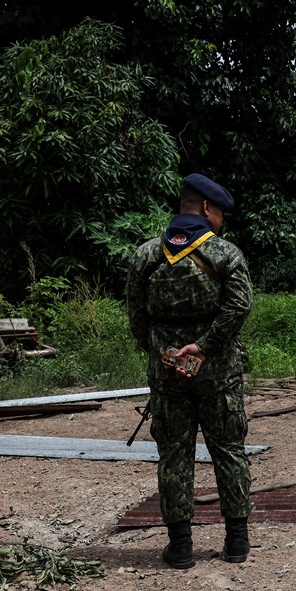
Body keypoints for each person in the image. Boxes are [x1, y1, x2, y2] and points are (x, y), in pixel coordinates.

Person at [126, 173, 254, 569]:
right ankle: (236, 544)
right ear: (205, 208)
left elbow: (136, 316)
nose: (221, 220)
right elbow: (239, 307)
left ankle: (180, 547)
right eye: (218, 212)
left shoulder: (146, 254)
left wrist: (164, 354)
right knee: (229, 451)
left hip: (167, 373)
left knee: (173, 455)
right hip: (218, 373)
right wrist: (204, 346)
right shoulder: (225, 255)